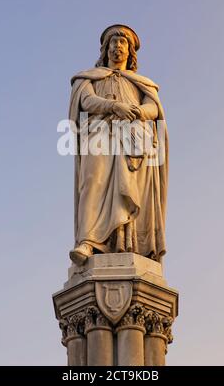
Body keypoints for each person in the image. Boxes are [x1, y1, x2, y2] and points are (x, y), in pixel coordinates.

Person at [68, 24, 168, 266]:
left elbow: (153, 108)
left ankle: (131, 243)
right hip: (99, 132)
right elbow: (87, 100)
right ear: (105, 49)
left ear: (130, 51)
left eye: (123, 43)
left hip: (133, 136)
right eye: (113, 43)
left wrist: (137, 112)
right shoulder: (89, 78)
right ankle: (88, 242)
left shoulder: (141, 83)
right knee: (93, 181)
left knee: (131, 188)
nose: (118, 47)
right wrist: (113, 107)